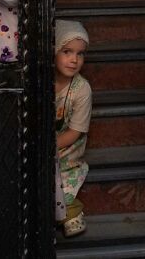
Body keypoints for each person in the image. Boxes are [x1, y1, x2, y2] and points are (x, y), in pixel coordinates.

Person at [53, 20, 93, 238]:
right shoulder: (40, 80)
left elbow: (75, 132)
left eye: (80, 54)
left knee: (63, 184)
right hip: (36, 143)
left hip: (65, 149)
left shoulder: (81, 89)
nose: (74, 59)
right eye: (67, 51)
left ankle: (71, 212)